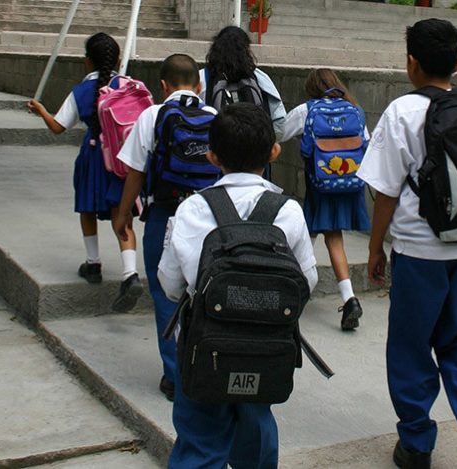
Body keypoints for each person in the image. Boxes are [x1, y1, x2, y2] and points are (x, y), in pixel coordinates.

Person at [357, 19, 457, 469]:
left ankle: (416, 445)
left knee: (410, 346)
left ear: (411, 62)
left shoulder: (400, 112)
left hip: (420, 254)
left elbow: (385, 193)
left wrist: (376, 249)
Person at [157, 103, 317, 469]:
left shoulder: (192, 209)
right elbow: (306, 281)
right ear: (274, 152)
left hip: (202, 345)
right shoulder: (287, 210)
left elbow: (168, 283)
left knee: (199, 439)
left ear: (212, 156)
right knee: (257, 431)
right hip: (266, 348)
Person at [113, 53, 217, 402]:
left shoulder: (151, 115)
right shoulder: (215, 117)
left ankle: (174, 376)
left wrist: (123, 214)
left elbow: (135, 171)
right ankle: (205, 365)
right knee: (203, 292)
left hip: (165, 214)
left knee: (165, 293)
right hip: (207, 216)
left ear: (162, 85)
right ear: (199, 85)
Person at [28, 32, 143, 313]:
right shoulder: (126, 86)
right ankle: (130, 274)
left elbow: (58, 127)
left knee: (87, 209)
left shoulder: (81, 91)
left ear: (86, 62)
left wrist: (41, 110)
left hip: (93, 156)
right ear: (117, 59)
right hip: (122, 159)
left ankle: (93, 263)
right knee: (121, 214)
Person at [280, 68, 371, 331]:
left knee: (307, 236)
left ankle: (291, 295)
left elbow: (280, 133)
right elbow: (368, 143)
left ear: (312, 88)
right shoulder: (355, 110)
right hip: (349, 185)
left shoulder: (307, 110)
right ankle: (349, 298)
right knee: (332, 238)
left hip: (320, 185)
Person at [199, 25, 286, 141]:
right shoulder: (260, 77)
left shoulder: (202, 78)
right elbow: (279, 120)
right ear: (246, 49)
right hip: (254, 150)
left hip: (216, 151)